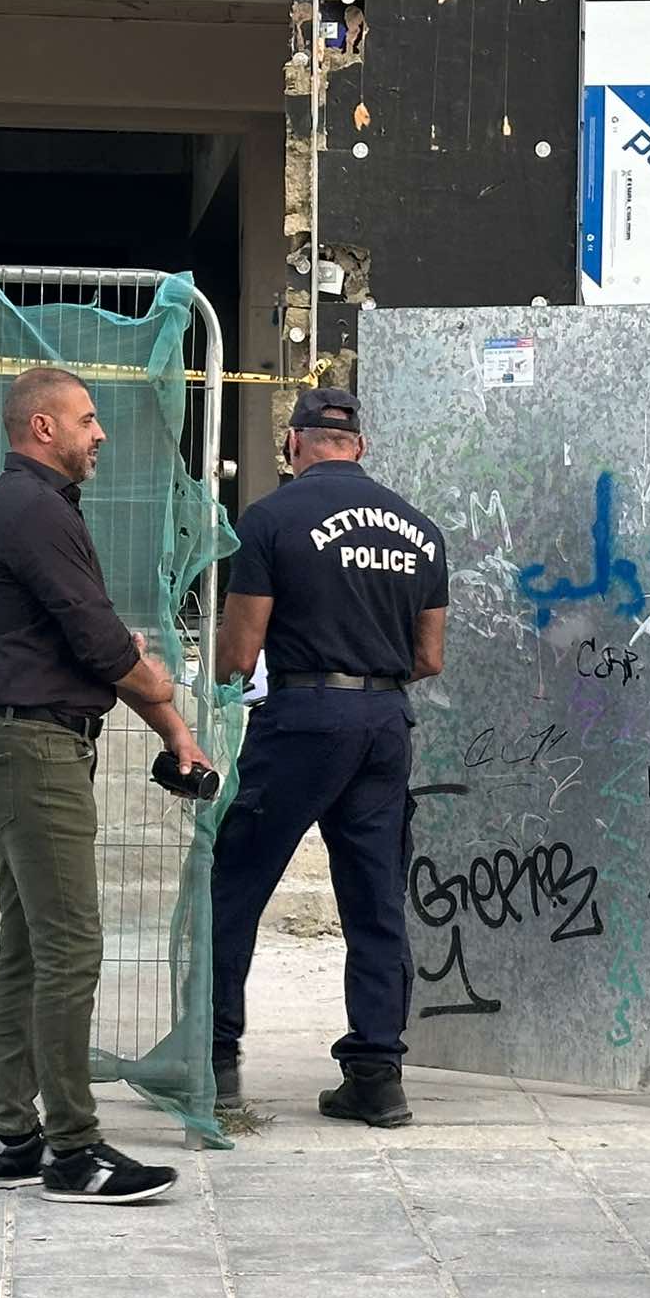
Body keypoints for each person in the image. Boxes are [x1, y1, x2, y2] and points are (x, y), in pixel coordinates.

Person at [0, 366, 212, 1205]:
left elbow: (90, 641)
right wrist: (158, 684)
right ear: (43, 427)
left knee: (31, 948)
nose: (100, 434)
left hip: (23, 740)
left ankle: (13, 1136)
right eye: (87, 419)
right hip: (35, 748)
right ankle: (73, 1151)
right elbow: (101, 643)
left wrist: (166, 720)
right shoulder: (32, 510)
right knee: (69, 947)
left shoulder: (33, 507)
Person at [210, 387, 448, 1129]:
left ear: (293, 445)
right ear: (360, 447)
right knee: (376, 899)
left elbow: (239, 652)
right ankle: (377, 1076)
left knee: (235, 885)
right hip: (384, 722)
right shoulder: (419, 530)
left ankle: (214, 1060)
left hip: (303, 717)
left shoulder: (270, 519)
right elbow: (430, 656)